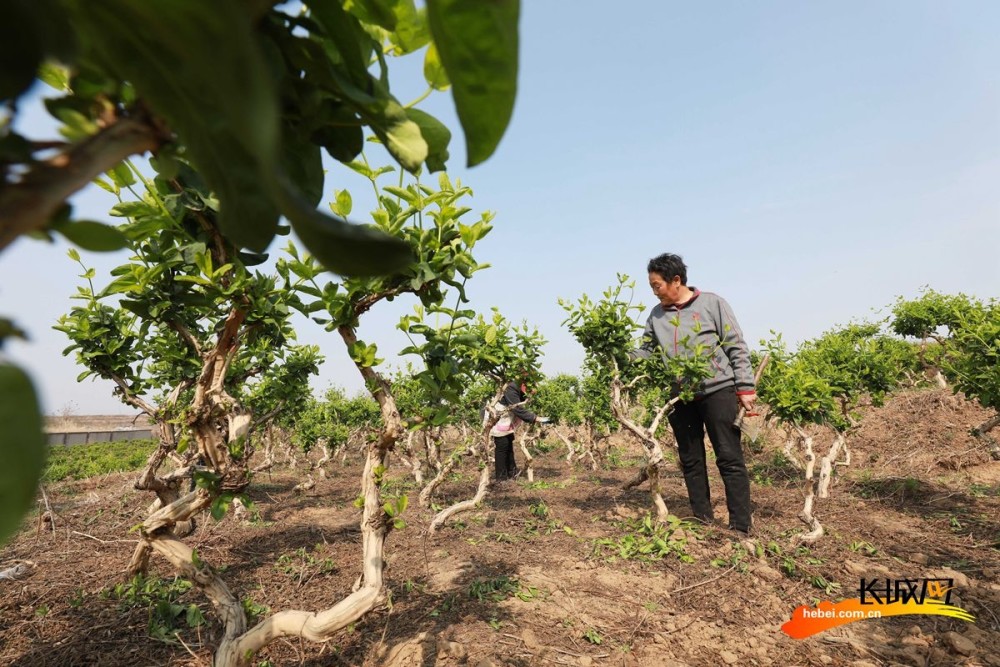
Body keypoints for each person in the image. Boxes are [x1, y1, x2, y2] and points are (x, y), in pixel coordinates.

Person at [632, 253, 756, 534]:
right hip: (680, 397)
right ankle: (703, 520)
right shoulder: (656, 315)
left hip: (718, 390)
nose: (654, 291)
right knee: (691, 460)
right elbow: (647, 352)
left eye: (657, 285)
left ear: (676, 280)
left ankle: (741, 526)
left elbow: (736, 345)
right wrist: (618, 354)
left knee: (729, 457)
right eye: (651, 286)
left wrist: (745, 387)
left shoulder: (712, 303)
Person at [489, 374, 549, 483]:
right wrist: (535, 418)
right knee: (502, 445)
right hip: (499, 417)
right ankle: (501, 478)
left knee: (508, 442)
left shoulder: (518, 387)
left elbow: (521, 400)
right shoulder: (511, 387)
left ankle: (512, 473)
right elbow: (516, 408)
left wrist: (529, 394)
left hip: (506, 419)